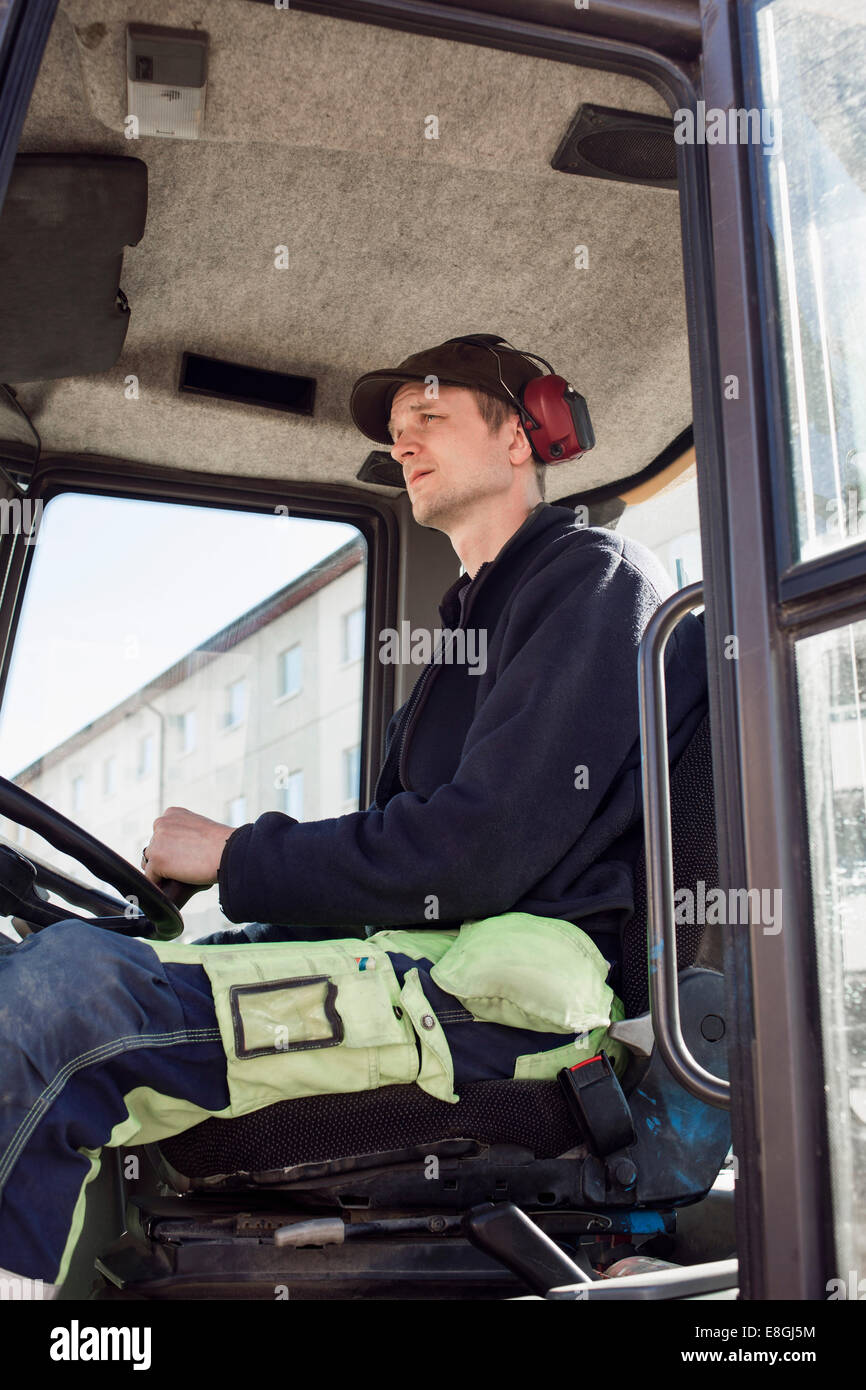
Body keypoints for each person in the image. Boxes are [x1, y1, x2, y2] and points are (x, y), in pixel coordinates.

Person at [0, 335, 708, 1294]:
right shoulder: (461, 632)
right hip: (429, 972)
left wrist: (239, 852)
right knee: (59, 970)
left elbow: (474, 851)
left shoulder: (589, 579)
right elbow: (398, 876)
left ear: (523, 435)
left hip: (509, 1007)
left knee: (67, 1001)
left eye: (431, 417)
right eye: (396, 432)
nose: (404, 442)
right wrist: (239, 916)